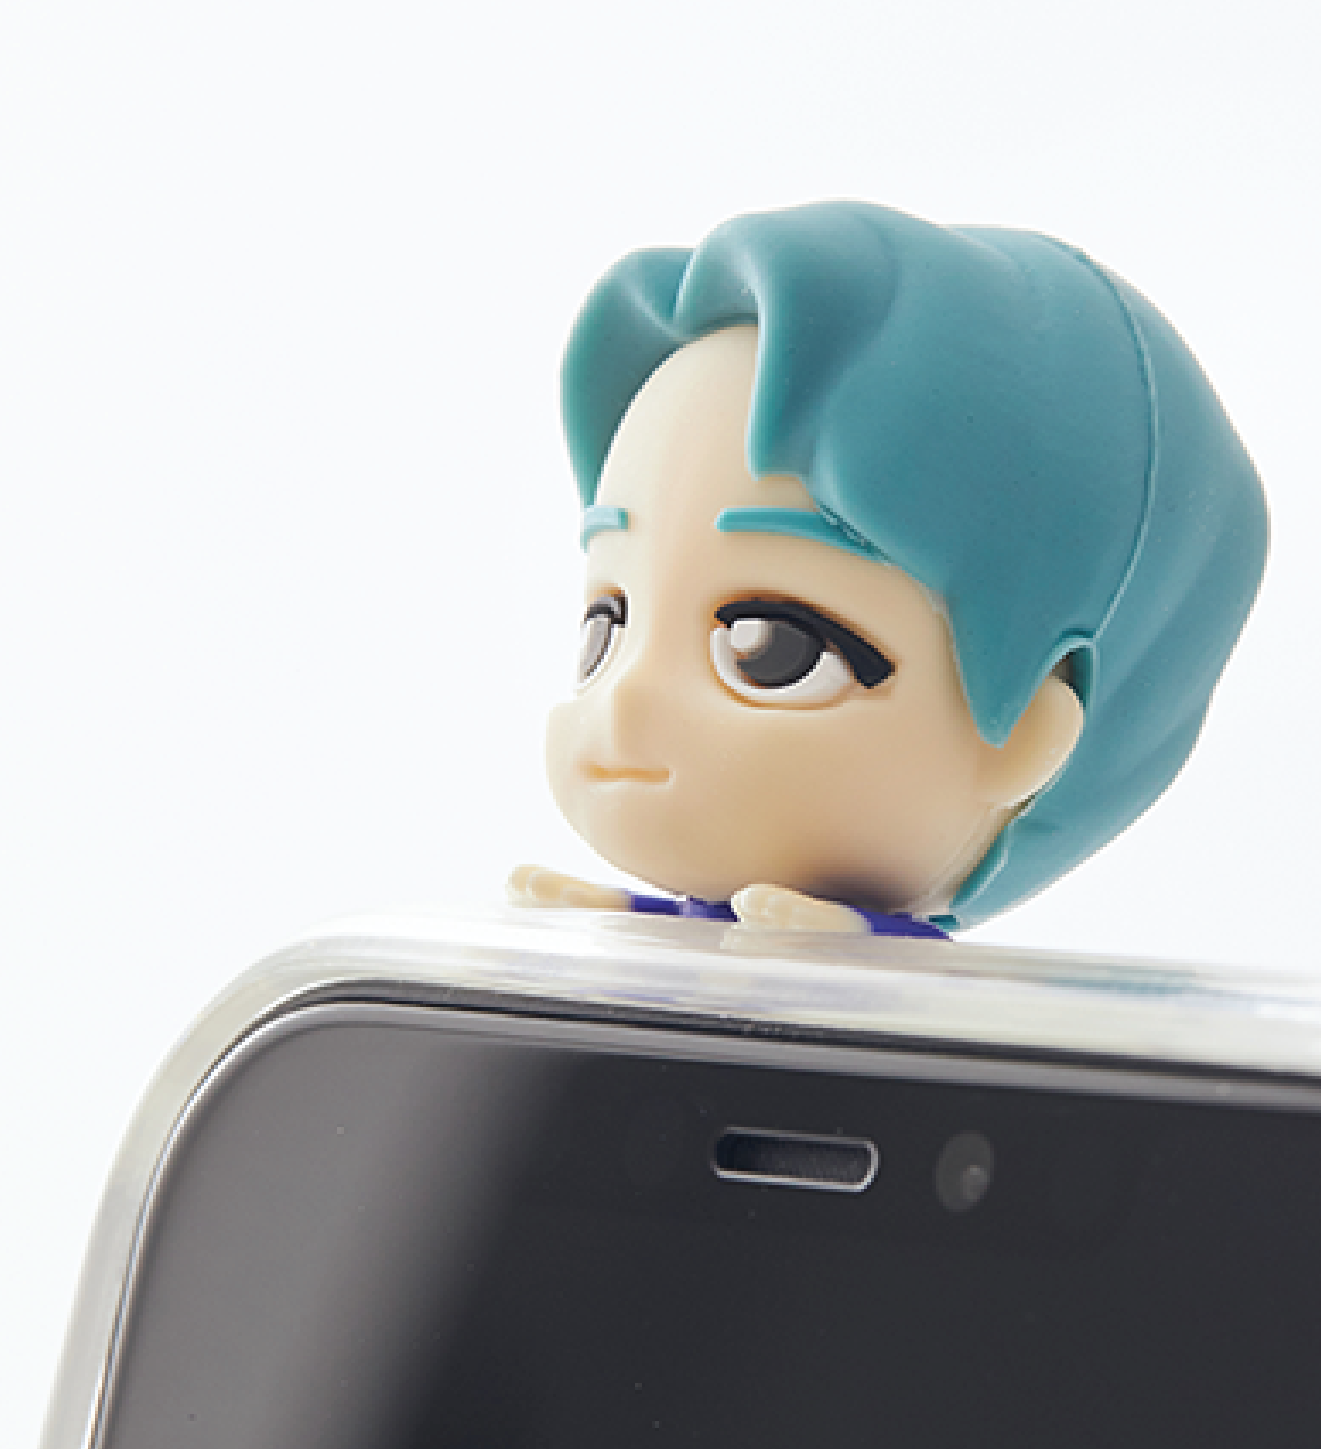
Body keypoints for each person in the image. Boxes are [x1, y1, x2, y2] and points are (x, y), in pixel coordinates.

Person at [510, 202, 1267, 935]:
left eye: (769, 649)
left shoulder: (902, 984)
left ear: (1026, 730)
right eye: (606, 629)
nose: (629, 698)